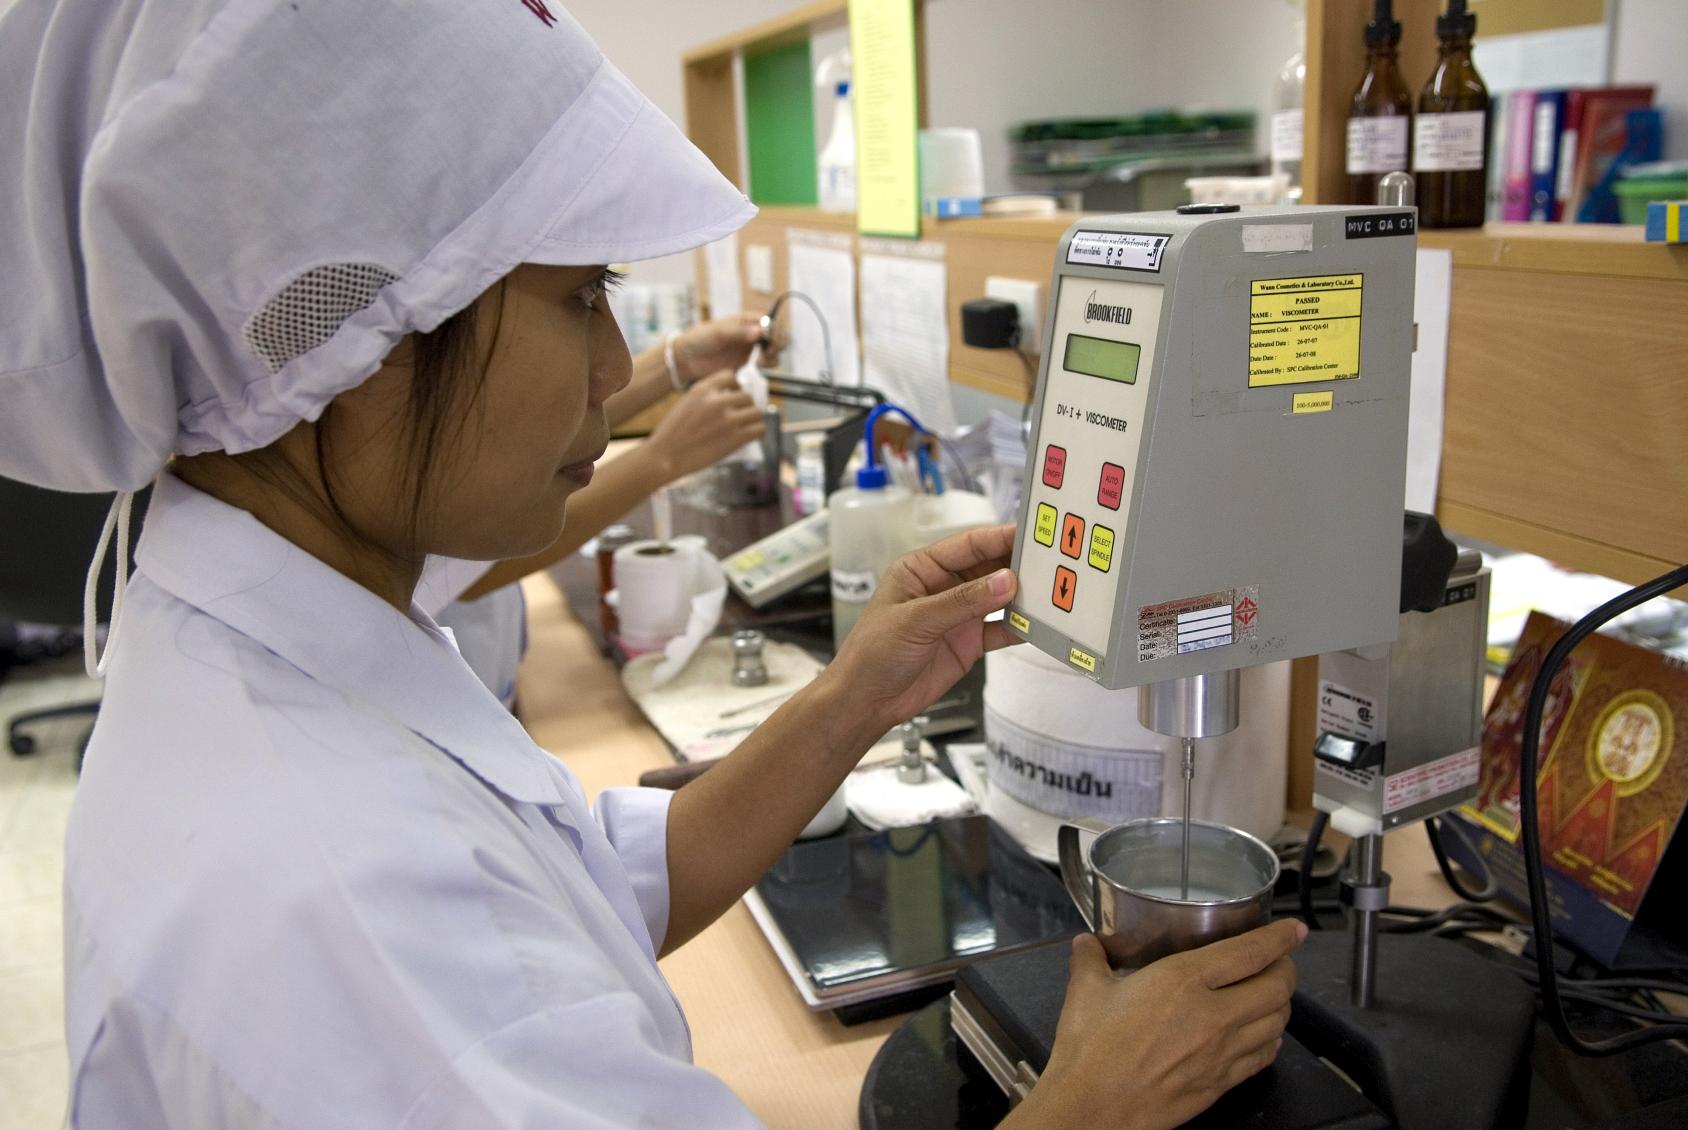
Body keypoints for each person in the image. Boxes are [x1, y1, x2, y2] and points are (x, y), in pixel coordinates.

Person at [0, 3, 1302, 1127]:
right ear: (358, 336)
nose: (620, 367)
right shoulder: (358, 919)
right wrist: (1090, 1103)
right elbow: (485, 947)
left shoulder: (271, 640)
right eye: (579, 297)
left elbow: (584, 883)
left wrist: (864, 686)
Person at [425, 313, 774, 708]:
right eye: (579, 299)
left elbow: (550, 429)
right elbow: (470, 558)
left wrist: (677, 362)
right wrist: (663, 457)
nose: (618, 366)